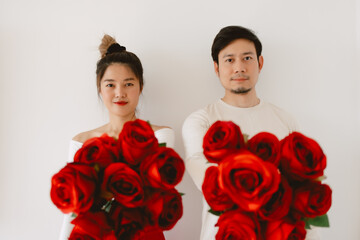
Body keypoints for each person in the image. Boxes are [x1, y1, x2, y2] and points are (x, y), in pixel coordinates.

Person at [182, 26, 319, 239]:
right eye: (229, 60)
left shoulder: (285, 119)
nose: (239, 68)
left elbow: (303, 189)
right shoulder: (201, 121)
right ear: (216, 68)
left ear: (260, 63)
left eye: (247, 58)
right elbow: (208, 182)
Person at [59, 34, 174, 240]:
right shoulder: (82, 141)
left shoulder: (160, 136)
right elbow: (72, 209)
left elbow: (154, 197)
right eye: (111, 85)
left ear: (141, 87)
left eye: (128, 84)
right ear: (100, 88)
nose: (119, 93)